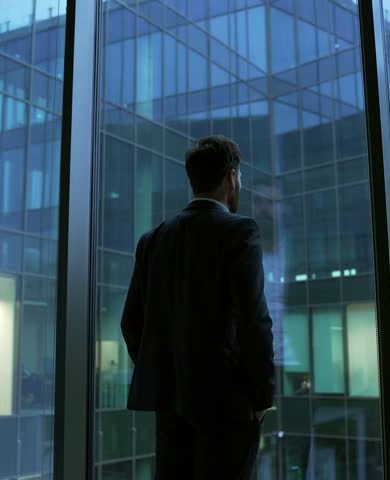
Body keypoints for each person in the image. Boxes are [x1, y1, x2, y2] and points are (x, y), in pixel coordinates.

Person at [121, 135, 275, 479]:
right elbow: (254, 320)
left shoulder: (154, 239)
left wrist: (169, 368)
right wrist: (262, 396)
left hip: (170, 403)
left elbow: (131, 323)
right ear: (232, 177)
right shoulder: (241, 231)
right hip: (227, 404)